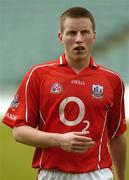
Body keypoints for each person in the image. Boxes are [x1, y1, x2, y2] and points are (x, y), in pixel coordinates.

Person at [2, 7, 127, 180]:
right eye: (72, 33)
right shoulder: (38, 75)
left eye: (84, 32)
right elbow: (19, 131)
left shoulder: (112, 80)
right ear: (61, 37)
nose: (78, 39)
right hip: (52, 175)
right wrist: (59, 140)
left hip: (97, 175)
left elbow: (116, 135)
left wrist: (121, 178)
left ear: (94, 36)